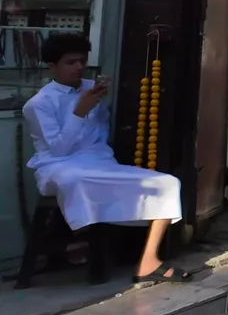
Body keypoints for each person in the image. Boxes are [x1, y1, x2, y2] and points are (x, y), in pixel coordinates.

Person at [24, 33, 190, 283]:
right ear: (52, 66)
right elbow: (58, 150)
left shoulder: (91, 88)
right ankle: (76, 247)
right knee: (75, 181)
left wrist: (99, 143)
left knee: (167, 183)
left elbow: (101, 128)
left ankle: (148, 260)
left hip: (100, 163)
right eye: (71, 62)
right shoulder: (38, 104)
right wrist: (79, 112)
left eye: (82, 61)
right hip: (59, 166)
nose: (79, 67)